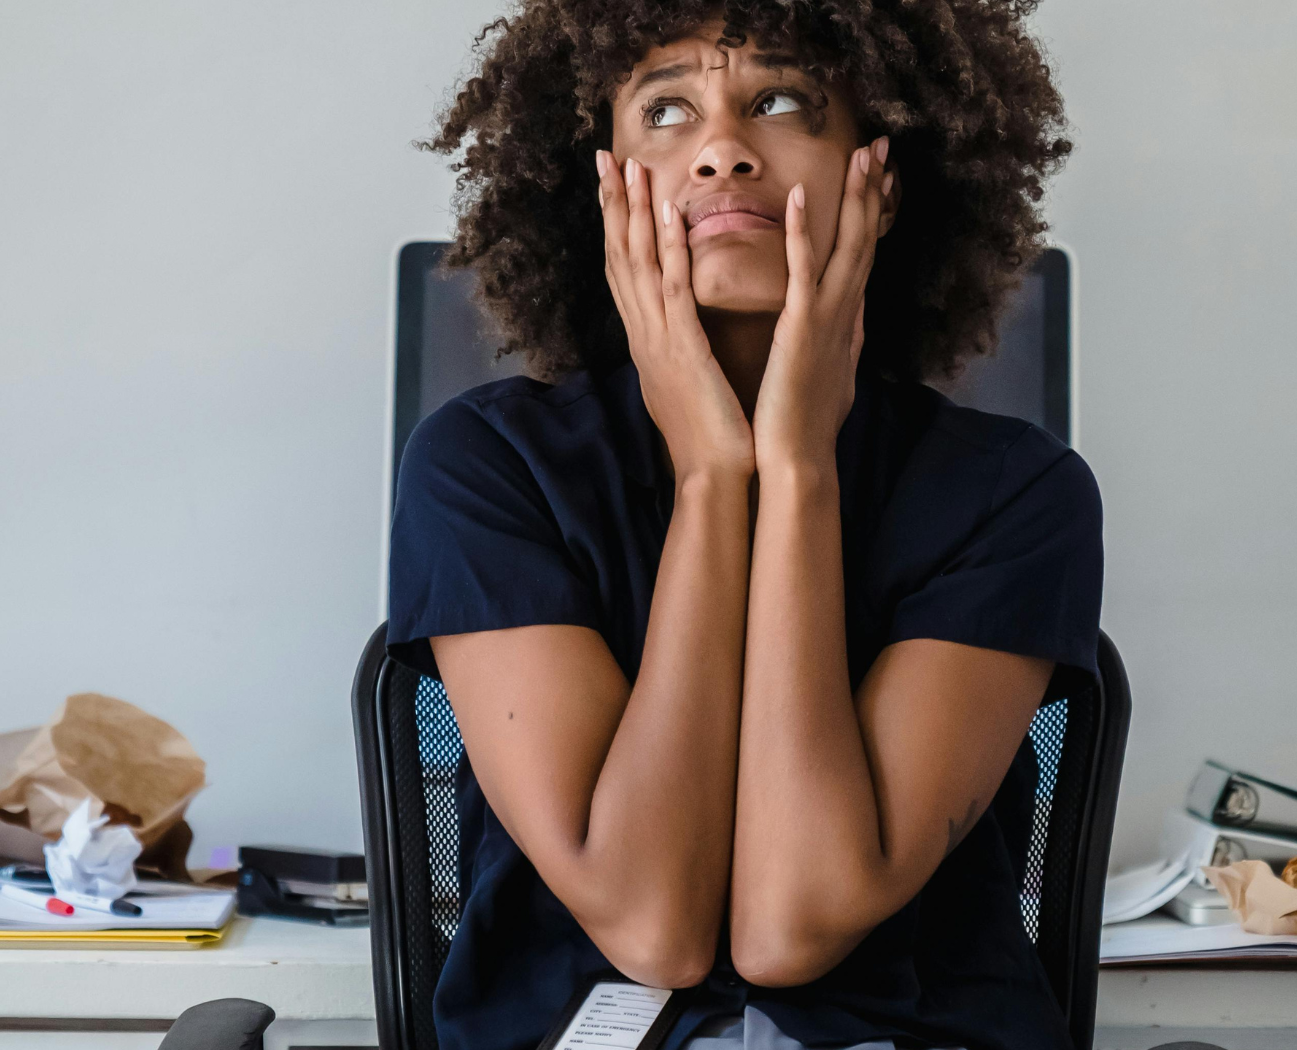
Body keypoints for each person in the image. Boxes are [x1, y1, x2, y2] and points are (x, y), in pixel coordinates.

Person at [385, 2, 1103, 1050]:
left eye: (780, 101)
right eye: (665, 110)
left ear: (882, 179)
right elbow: (652, 931)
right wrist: (715, 479)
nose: (722, 151)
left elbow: (791, 926)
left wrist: (798, 472)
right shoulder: (487, 467)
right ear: (603, 187)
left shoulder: (1016, 494)